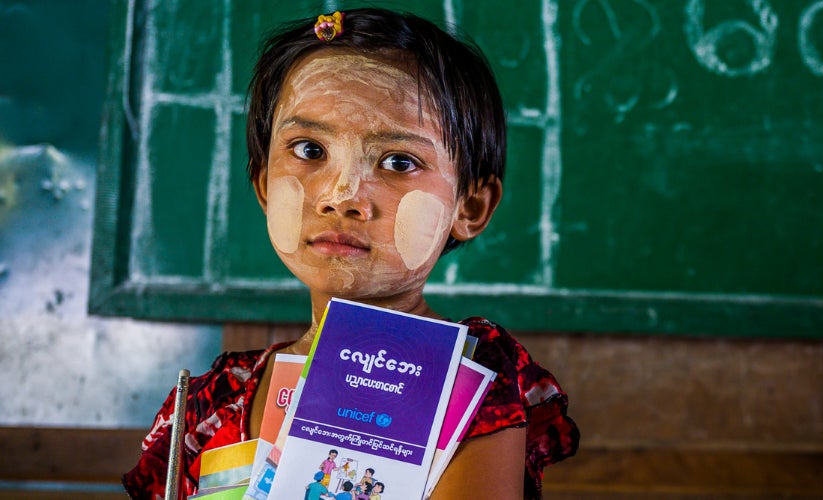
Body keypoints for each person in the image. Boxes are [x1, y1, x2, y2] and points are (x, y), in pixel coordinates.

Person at [122, 8, 578, 500]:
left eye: (399, 161)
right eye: (310, 150)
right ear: (264, 186)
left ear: (469, 205)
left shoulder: (468, 381)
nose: (342, 194)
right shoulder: (211, 403)